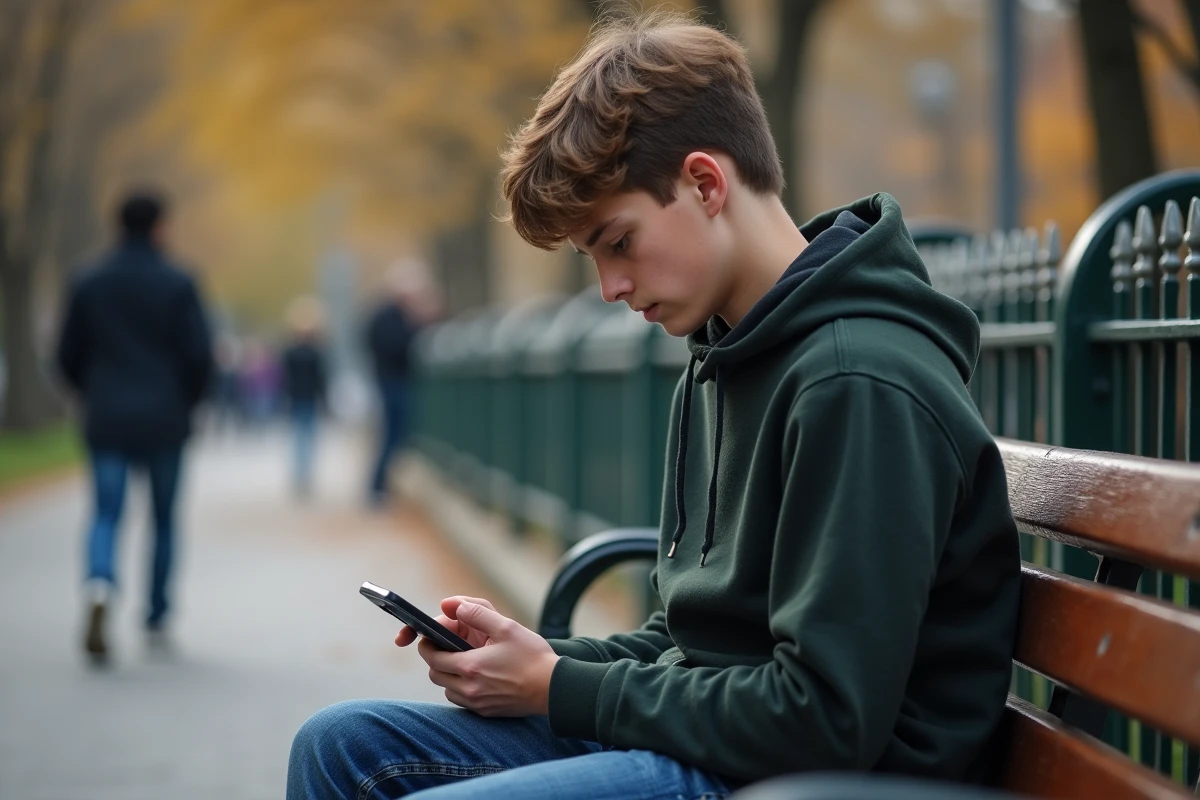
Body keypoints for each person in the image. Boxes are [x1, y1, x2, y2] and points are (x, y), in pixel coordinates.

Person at [287, 11, 1021, 799]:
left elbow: (825, 718)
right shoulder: (724, 358)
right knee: (339, 747)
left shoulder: (858, 382)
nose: (611, 288)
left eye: (619, 241)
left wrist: (559, 689)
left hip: (817, 779)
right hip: (728, 752)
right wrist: (543, 661)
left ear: (706, 183)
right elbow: (692, 646)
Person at [56, 190, 213, 663]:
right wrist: (188, 402)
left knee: (106, 512)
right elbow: (199, 355)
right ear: (159, 227)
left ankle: (100, 581)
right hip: (165, 416)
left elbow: (67, 353)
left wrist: (92, 392)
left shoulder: (88, 280)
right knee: (163, 520)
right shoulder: (178, 281)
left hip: (107, 415)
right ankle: (157, 615)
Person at [363, 268, 419, 505]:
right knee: (393, 435)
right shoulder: (389, 317)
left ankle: (380, 486)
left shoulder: (388, 315)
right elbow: (397, 346)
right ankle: (377, 487)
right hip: (393, 381)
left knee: (395, 435)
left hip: (392, 380)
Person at [280, 297, 328, 498]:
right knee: (307, 438)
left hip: (296, 398)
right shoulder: (316, 352)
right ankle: (304, 475)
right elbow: (321, 379)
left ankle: (300, 475)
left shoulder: (290, 352)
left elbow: (285, 378)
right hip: (308, 398)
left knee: (299, 438)